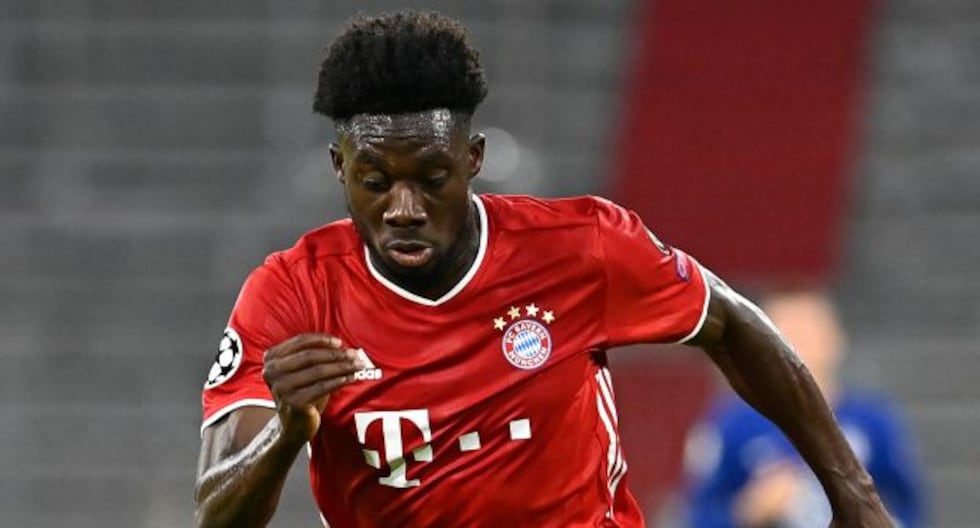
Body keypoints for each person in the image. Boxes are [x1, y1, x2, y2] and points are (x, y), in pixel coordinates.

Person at [194, 11, 893, 528]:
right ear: (339, 168)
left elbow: (730, 323)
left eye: (431, 178)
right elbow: (218, 514)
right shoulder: (291, 295)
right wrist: (287, 432)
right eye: (375, 182)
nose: (404, 209)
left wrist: (855, 496)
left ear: (473, 160)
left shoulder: (581, 247)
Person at [683, 290, 925, 527]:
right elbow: (698, 513)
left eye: (809, 333)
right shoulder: (732, 424)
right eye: (785, 334)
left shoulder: (874, 421)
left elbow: (908, 505)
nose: (798, 346)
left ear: (835, 339)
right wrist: (749, 510)